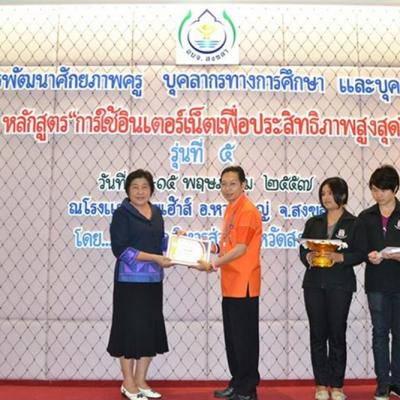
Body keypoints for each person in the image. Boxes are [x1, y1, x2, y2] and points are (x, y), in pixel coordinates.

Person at [107, 169, 173, 400]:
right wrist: (155, 258)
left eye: (144, 186)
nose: (140, 191)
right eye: (135, 187)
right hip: (129, 284)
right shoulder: (121, 214)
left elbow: (159, 241)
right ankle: (128, 382)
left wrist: (176, 242)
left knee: (148, 330)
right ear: (127, 190)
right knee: (129, 330)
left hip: (153, 282)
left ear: (151, 190)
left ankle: (141, 381)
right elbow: (121, 250)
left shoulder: (157, 213)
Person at [198, 165, 262, 400]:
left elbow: (241, 249)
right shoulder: (231, 209)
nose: (227, 188)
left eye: (233, 183)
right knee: (234, 340)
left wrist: (213, 264)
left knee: (244, 340)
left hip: (244, 285)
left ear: (243, 185)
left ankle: (247, 389)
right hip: (230, 284)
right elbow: (226, 245)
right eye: (223, 184)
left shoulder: (247, 210)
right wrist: (201, 246)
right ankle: (237, 383)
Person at [299, 177, 363, 400]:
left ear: (342, 195)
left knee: (337, 334)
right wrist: (308, 257)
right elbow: (302, 249)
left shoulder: (354, 223)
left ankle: (336, 386)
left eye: (330, 193)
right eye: (323, 193)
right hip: (314, 284)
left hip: (340, 285)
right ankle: (320, 385)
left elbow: (360, 253)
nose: (325, 197)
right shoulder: (313, 221)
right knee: (317, 334)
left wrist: (340, 257)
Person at [356, 165, 400, 400]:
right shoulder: (366, 217)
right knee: (380, 333)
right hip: (376, 283)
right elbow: (359, 249)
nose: (378, 194)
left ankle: (398, 382)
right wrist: (368, 255)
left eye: (383, 190)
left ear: (395, 189)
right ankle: (383, 382)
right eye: (374, 190)